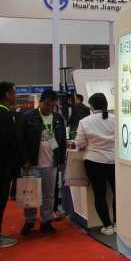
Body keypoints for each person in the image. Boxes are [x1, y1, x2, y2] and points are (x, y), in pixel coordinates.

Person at [17, 89, 66, 235]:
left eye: (52, 105)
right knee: (30, 194)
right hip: (31, 164)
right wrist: (25, 160)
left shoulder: (58, 118)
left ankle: (46, 221)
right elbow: (20, 141)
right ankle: (29, 221)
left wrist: (61, 160)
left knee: (49, 194)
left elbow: (62, 141)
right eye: (46, 104)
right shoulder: (28, 117)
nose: (49, 108)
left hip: (51, 163)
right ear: (40, 102)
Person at [74, 93, 116, 235]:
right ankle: (118, 223)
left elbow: (79, 143)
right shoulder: (115, 119)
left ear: (91, 106)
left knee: (99, 194)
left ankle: (107, 226)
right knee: (117, 192)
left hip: (94, 162)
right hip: (114, 162)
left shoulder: (85, 122)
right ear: (106, 104)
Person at [0, 82, 18, 248]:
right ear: (7, 94)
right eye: (14, 92)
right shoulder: (5, 115)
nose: (16, 95)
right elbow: (7, 142)